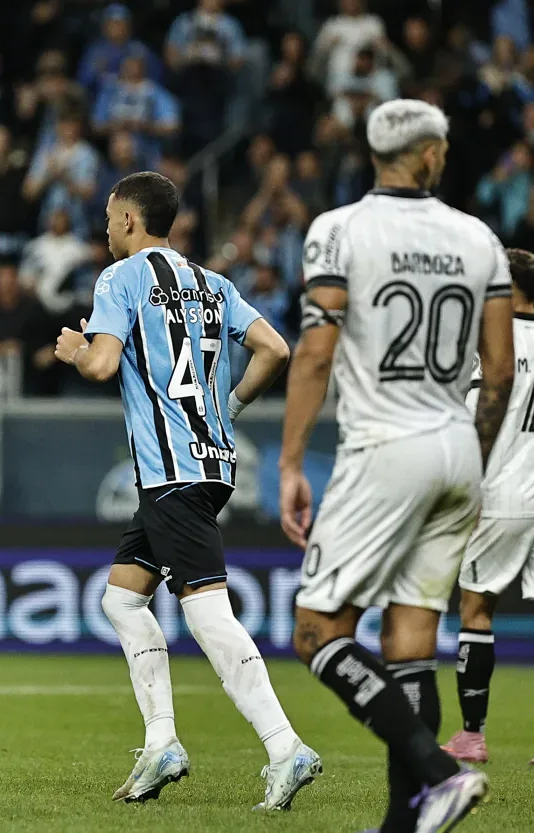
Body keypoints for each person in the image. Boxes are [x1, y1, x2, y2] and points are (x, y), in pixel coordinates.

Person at [279, 99, 514, 832]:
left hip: (384, 444)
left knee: (318, 631)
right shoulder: (479, 239)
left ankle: (441, 775)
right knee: (411, 642)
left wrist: (291, 459)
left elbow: (317, 349)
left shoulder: (339, 229)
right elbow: (499, 371)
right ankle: (401, 824)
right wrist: (471, 459)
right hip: (458, 448)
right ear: (432, 155)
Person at [54, 171, 319, 810]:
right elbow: (275, 349)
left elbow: (101, 364)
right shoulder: (212, 283)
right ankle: (162, 741)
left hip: (171, 474)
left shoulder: (121, 278)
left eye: (112, 216)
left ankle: (286, 747)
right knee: (122, 600)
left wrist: (73, 348)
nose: (108, 226)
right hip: (208, 466)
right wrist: (227, 405)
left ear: (128, 219)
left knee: (207, 615)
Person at [442, 248, 534, 766]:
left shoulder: (492, 344)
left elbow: (477, 417)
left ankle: (471, 735)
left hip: (501, 492)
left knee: (476, 608)